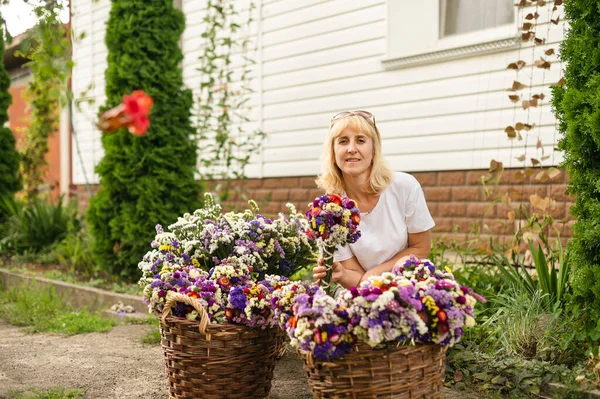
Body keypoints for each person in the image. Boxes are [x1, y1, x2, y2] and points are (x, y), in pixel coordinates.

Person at [312, 110, 435, 289]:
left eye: (360, 140)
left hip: (406, 281)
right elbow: (355, 280)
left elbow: (420, 248)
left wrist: (373, 275)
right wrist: (343, 274)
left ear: (374, 149)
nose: (351, 149)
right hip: (360, 292)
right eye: (343, 141)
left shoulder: (404, 186)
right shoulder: (328, 211)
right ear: (333, 151)